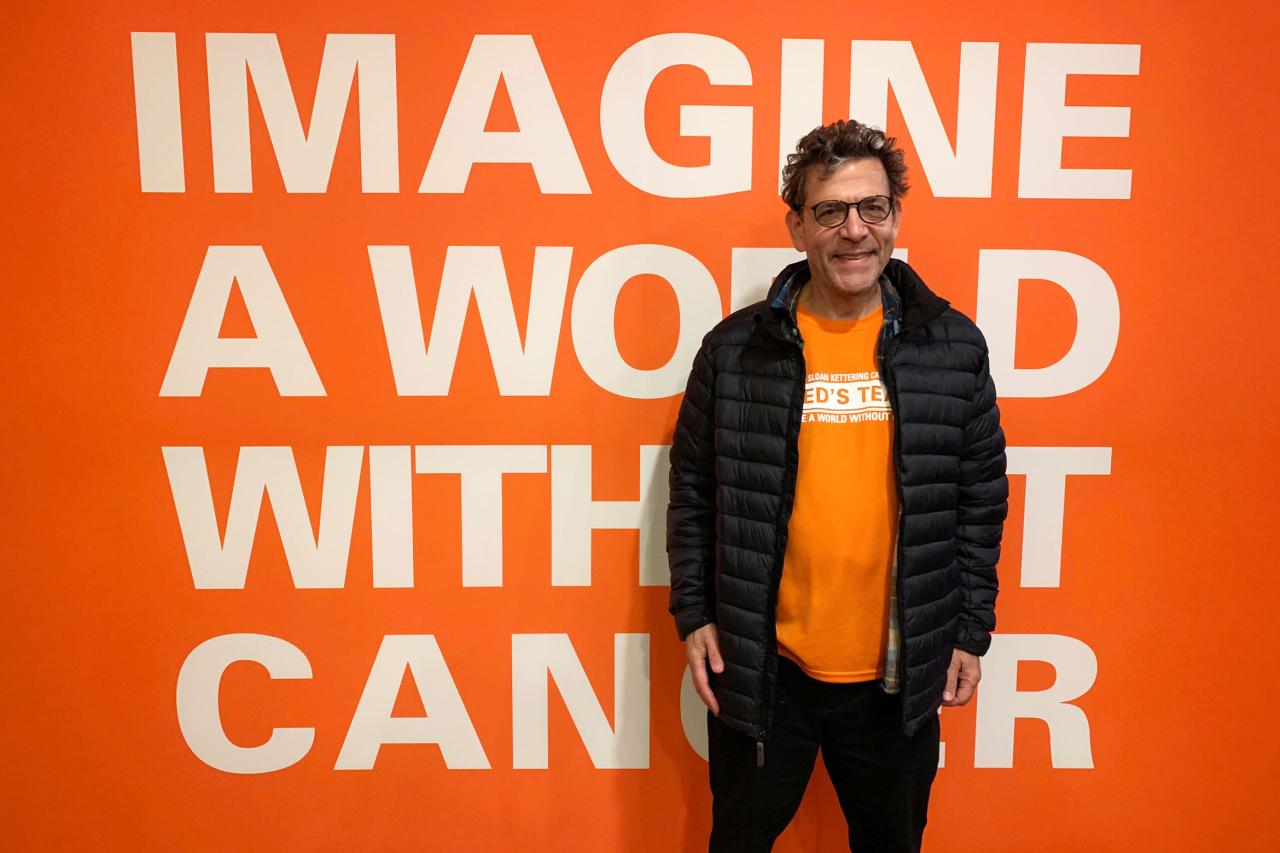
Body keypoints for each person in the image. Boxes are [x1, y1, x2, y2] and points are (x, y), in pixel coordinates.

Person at [666, 119, 1009, 852]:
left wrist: (970, 629)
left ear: (895, 217)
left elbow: (980, 496)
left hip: (897, 674)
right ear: (798, 226)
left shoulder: (952, 346)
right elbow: (692, 488)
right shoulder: (735, 351)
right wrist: (695, 611)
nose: (855, 230)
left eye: (872, 207)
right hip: (766, 669)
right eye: (830, 211)